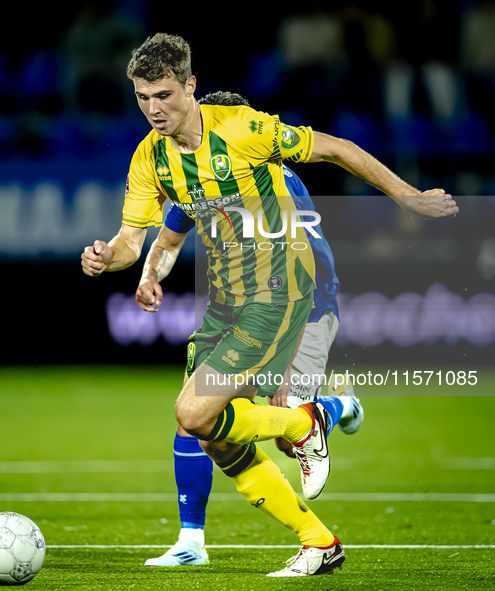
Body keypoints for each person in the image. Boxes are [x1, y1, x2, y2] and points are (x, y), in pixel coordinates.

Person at [81, 33, 457, 577]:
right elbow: (136, 241)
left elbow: (337, 149)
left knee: (197, 412)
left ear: (191, 87)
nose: (152, 109)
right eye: (142, 97)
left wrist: (409, 197)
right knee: (206, 430)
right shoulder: (155, 160)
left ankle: (313, 417)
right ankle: (313, 537)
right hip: (225, 307)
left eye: (162, 94)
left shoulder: (252, 143)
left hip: (282, 299)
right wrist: (106, 257)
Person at [135, 92, 363, 569]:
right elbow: (169, 238)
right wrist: (149, 273)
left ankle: (331, 408)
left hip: (307, 310)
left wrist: (283, 365)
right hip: (239, 312)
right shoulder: (191, 174)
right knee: (199, 420)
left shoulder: (276, 181)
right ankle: (192, 541)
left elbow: (312, 269)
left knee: (278, 430)